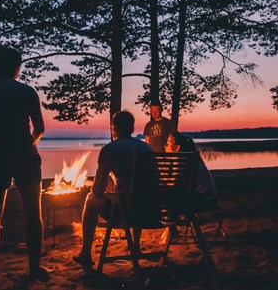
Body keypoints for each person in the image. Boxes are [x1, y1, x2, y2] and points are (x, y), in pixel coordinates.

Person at [0, 47, 47, 284]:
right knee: (33, 213)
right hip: (25, 156)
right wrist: (30, 143)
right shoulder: (26, 91)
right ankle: (34, 270)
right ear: (18, 66)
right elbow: (40, 127)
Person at [73, 110, 153, 267]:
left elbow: (97, 191)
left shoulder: (110, 149)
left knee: (90, 199)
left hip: (126, 212)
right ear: (132, 128)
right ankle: (135, 246)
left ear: (114, 128)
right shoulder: (147, 148)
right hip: (150, 210)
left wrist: (102, 188)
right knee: (136, 194)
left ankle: (85, 254)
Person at [169, 130, 218, 203]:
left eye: (168, 143)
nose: (165, 145)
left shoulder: (181, 160)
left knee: (167, 194)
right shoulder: (188, 159)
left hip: (203, 200)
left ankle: (166, 214)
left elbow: (172, 185)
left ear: (177, 147)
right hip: (209, 198)